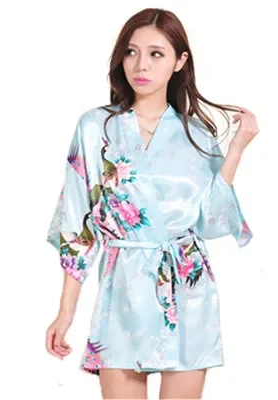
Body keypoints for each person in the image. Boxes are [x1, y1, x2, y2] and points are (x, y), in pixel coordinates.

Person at [45, 7, 259, 400]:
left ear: (179, 61)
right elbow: (78, 228)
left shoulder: (197, 134)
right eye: (131, 52)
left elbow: (210, 223)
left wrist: (235, 152)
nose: (141, 64)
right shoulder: (96, 127)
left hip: (188, 288)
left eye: (156, 53)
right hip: (122, 289)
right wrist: (66, 312)